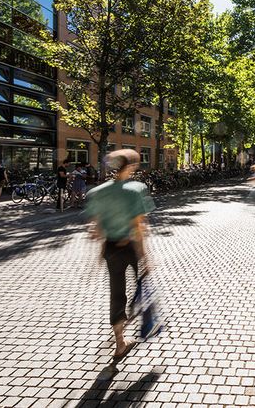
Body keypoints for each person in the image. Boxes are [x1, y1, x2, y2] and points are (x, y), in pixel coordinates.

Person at [85, 149, 156, 359]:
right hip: (132, 246)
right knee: (142, 288)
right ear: (131, 166)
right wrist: (145, 257)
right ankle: (143, 323)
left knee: (116, 293)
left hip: (111, 248)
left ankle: (119, 342)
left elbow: (96, 229)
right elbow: (139, 226)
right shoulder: (136, 189)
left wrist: (99, 254)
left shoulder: (98, 192)